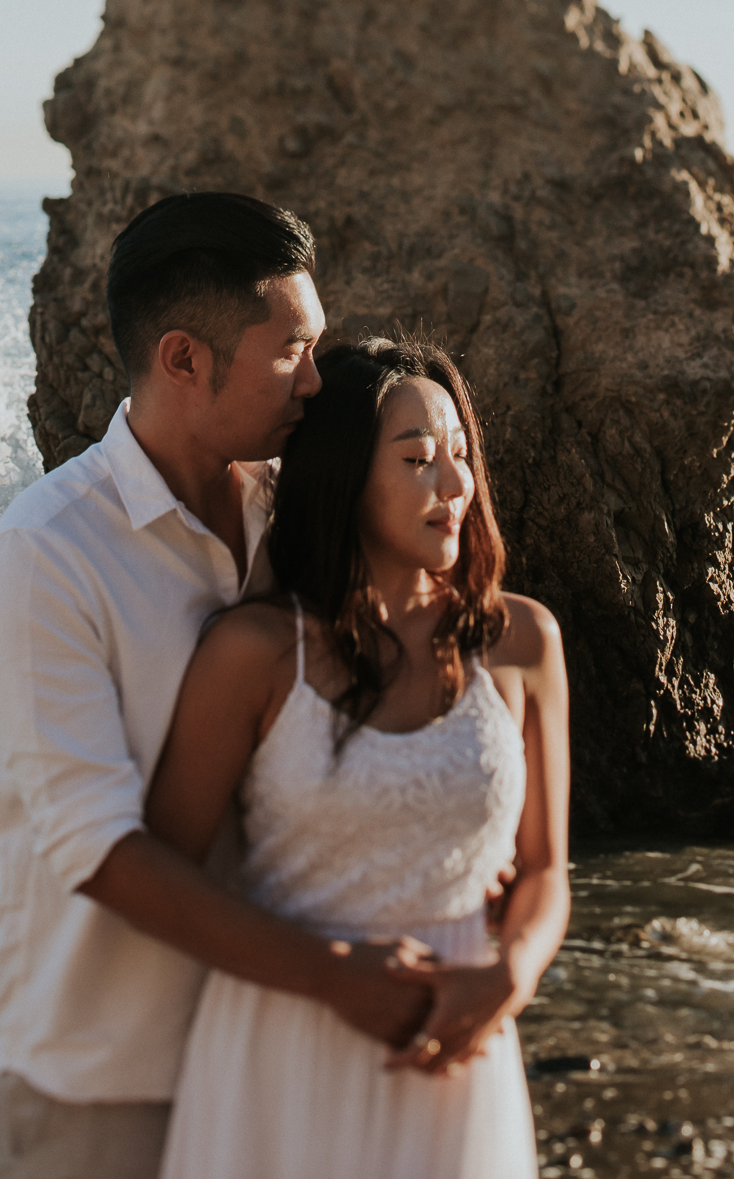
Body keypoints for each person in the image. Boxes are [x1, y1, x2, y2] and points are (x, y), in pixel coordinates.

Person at [0, 194, 440, 1179]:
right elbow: (98, 848)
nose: (317, 382)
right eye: (290, 351)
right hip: (99, 1077)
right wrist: (338, 978)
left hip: (277, 1054)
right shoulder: (47, 556)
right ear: (184, 358)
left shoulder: (298, 515)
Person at [146, 337, 572, 1179]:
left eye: (459, 456)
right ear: (344, 477)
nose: (454, 486)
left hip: (456, 1049)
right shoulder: (256, 652)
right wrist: (331, 974)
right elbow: (165, 869)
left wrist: (509, 977)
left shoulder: (521, 641)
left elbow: (545, 871)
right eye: (418, 459)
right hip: (282, 1045)